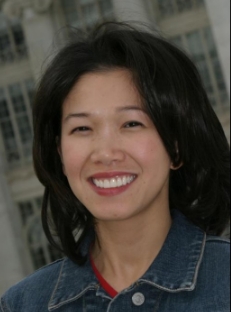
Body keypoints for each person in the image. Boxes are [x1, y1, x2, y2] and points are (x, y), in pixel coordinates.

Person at [0, 22, 230, 312]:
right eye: (82, 128)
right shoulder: (23, 305)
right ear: (59, 151)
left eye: (131, 124)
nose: (106, 153)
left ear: (176, 146)